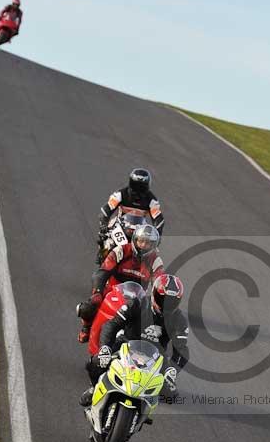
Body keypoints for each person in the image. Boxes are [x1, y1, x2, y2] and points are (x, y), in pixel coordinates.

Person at [80, 274, 189, 406]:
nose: (166, 305)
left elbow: (182, 349)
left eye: (171, 301)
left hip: (156, 355)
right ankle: (94, 388)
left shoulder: (179, 320)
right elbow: (112, 324)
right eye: (163, 299)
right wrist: (105, 348)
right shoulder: (138, 303)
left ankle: (144, 409)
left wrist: (172, 370)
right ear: (154, 294)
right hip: (125, 343)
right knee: (95, 363)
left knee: (171, 396)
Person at [77, 223, 163, 343]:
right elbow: (102, 272)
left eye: (147, 243)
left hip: (137, 299)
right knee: (88, 307)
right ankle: (86, 327)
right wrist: (97, 292)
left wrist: (158, 302)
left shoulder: (155, 260)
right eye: (141, 241)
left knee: (157, 323)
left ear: (153, 245)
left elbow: (159, 283)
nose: (143, 245)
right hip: (112, 291)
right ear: (135, 240)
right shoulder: (121, 250)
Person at [98, 168, 164, 247]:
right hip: (119, 225)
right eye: (136, 186)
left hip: (139, 230)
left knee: (149, 252)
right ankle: (101, 256)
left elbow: (158, 219)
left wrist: (157, 234)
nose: (138, 191)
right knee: (105, 242)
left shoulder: (151, 200)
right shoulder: (120, 194)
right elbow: (106, 210)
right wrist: (103, 225)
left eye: (141, 187)